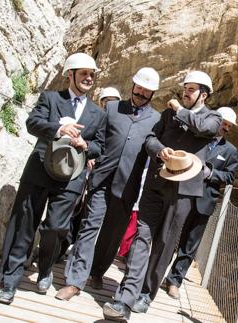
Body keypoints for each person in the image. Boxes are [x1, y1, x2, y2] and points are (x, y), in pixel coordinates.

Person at [102, 71, 222, 321]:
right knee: (142, 237)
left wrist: (179, 110)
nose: (186, 92)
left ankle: (147, 293)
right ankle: (125, 297)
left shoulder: (213, 117)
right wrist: (160, 150)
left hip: (184, 191)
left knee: (165, 243)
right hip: (157, 184)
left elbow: (202, 129)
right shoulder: (168, 115)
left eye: (191, 89)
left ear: (204, 94)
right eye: (185, 88)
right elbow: (150, 138)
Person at [0, 52, 107, 305]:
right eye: (84, 74)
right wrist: (59, 129)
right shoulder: (50, 98)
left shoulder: (98, 114)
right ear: (70, 74)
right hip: (39, 171)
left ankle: (45, 269)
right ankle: (9, 282)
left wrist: (85, 143)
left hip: (71, 177)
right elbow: (32, 123)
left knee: (56, 227)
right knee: (24, 225)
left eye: (92, 74)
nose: (89, 78)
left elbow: (100, 146)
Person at [54, 67, 161, 301]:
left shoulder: (156, 120)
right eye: (139, 87)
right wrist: (90, 153)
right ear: (133, 85)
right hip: (101, 179)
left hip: (128, 186)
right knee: (90, 227)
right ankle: (74, 281)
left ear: (153, 94)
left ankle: (97, 271)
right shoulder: (112, 108)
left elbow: (153, 146)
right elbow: (96, 139)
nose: (142, 92)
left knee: (112, 234)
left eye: (147, 90)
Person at [162, 106, 238, 299]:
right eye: (223, 123)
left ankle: (174, 281)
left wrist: (211, 173)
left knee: (190, 244)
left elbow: (230, 176)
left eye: (229, 126)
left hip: (205, 201)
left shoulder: (230, 151)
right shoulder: (196, 139)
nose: (225, 128)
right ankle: (157, 272)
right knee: (171, 233)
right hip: (184, 192)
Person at [58, 86, 123, 261]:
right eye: (106, 102)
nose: (110, 105)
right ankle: (60, 248)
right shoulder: (94, 119)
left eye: (113, 102)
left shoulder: (120, 126)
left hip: (101, 175)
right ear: (102, 103)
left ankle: (73, 250)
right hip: (83, 170)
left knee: (86, 216)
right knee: (73, 210)